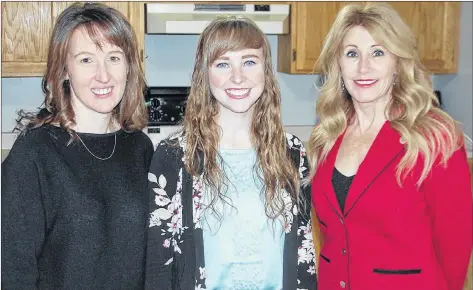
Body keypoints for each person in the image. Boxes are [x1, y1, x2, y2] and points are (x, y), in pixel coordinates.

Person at [307, 2, 473, 290]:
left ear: (397, 64)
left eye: (378, 52)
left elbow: (454, 251)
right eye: (352, 53)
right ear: (338, 64)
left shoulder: (434, 137)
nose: (363, 67)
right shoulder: (326, 135)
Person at [145, 16, 317, 290]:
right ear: (206, 73)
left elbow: (303, 249)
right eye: (223, 64)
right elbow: (159, 262)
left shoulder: (291, 152)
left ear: (265, 71)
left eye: (249, 61)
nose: (238, 77)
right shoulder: (176, 157)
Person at [1, 3, 154, 289]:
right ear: (64, 70)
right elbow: (13, 270)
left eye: (114, 58)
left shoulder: (140, 149)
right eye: (86, 60)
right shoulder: (35, 153)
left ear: (129, 66)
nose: (103, 75)